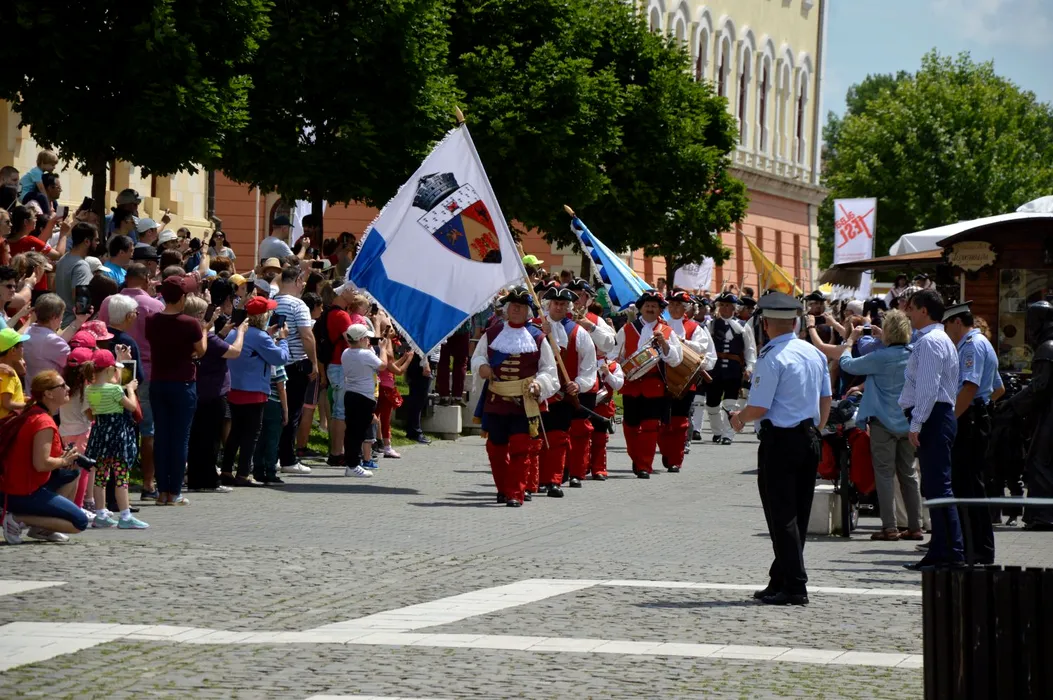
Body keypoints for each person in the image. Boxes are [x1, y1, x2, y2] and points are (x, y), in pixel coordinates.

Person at [729, 292, 831, 606]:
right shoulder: (813, 353)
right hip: (809, 438)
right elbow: (826, 398)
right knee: (798, 514)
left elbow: (759, 406)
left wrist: (739, 418)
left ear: (767, 324)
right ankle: (781, 579)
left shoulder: (771, 357)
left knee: (781, 516)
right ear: (795, 322)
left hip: (781, 441)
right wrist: (817, 428)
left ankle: (796, 585)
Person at [838, 310, 924, 541]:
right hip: (908, 422)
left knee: (885, 475)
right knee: (909, 475)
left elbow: (847, 364)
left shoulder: (880, 357)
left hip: (882, 422)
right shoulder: (914, 354)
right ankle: (915, 526)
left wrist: (850, 341)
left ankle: (890, 528)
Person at [472, 287, 559, 505]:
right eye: (513, 306)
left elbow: (549, 370)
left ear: (528, 311)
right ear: (507, 309)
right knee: (496, 449)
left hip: (524, 402)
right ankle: (503, 489)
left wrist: (539, 385)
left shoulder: (538, 337)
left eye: (520, 306)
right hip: (497, 400)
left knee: (521, 448)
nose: (516, 309)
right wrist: (482, 366)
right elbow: (478, 357)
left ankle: (515, 493)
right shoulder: (492, 334)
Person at [898, 289, 964, 568]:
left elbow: (928, 388)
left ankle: (951, 553)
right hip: (937, 416)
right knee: (937, 488)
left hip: (933, 417)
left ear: (924, 310)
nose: (908, 314)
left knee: (939, 489)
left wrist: (916, 423)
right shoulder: (938, 339)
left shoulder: (930, 341)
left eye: (912, 308)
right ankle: (942, 551)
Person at [1, 370, 91, 544]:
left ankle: (43, 530)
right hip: (21, 492)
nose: (68, 388)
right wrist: (64, 460)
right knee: (79, 522)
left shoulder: (35, 412)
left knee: (71, 474)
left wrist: (65, 460)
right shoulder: (44, 421)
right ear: (48, 394)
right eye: (62, 386)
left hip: (14, 486)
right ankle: (16, 519)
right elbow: (41, 464)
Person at [943, 301, 1000, 563]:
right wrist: (984, 406)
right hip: (975, 416)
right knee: (970, 485)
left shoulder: (971, 346)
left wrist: (952, 418)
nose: (946, 332)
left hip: (969, 419)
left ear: (957, 322)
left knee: (967, 486)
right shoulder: (980, 343)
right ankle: (976, 548)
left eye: (947, 325)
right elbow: (998, 388)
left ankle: (974, 550)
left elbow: (969, 387)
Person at [146, 276, 205, 506]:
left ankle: (162, 491)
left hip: (159, 382)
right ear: (182, 297)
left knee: (161, 436)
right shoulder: (190, 323)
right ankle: (175, 491)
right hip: (183, 383)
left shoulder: (152, 320)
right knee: (180, 438)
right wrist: (204, 330)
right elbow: (200, 350)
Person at [995, 302, 1053, 530]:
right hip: (1047, 412)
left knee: (1040, 461)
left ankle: (1043, 515)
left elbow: (1040, 387)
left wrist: (1011, 403)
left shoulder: (1047, 348)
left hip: (1049, 415)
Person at [221, 296, 290, 486]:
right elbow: (281, 358)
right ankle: (243, 473)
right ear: (263, 316)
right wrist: (282, 339)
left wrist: (268, 334)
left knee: (236, 431)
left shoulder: (235, 333)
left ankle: (226, 470)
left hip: (234, 388)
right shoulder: (260, 337)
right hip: (254, 391)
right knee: (251, 433)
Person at [613, 290, 683, 478]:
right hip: (631, 385)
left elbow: (676, 359)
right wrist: (616, 368)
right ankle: (637, 458)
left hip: (654, 385)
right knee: (630, 426)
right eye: (647, 305)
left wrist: (665, 344)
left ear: (660, 310)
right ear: (640, 308)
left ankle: (644, 465)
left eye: (654, 306)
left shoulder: (667, 331)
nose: (650, 309)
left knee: (650, 426)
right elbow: (615, 354)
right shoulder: (627, 329)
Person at [538, 286, 598, 495]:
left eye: (563, 304)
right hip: (537, 393)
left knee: (557, 437)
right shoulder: (534, 327)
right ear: (548, 305)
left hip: (562, 396)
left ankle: (553, 480)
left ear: (568, 307)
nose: (559, 307)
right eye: (556, 303)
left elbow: (589, 365)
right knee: (537, 437)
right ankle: (535, 479)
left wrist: (579, 384)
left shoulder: (578, 332)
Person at [185, 295, 246, 491]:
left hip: (198, 390)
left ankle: (195, 479)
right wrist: (240, 333)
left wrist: (223, 332)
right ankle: (209, 479)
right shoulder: (207, 338)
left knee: (197, 437)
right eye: (206, 313)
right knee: (211, 439)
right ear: (199, 316)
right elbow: (234, 352)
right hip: (213, 392)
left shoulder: (193, 335)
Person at [83, 349, 147, 529]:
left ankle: (100, 514)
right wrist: (130, 390)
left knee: (100, 477)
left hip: (100, 436)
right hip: (118, 436)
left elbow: (89, 414)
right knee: (121, 477)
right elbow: (131, 407)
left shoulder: (89, 389)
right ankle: (125, 516)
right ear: (110, 369)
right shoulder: (116, 390)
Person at [664, 290, 716, 471]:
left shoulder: (695, 328)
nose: (674, 308)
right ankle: (667, 452)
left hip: (685, 380)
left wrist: (682, 342)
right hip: (662, 379)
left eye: (678, 305)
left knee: (679, 421)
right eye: (671, 305)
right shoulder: (662, 325)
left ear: (686, 308)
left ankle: (675, 459)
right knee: (663, 421)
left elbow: (705, 350)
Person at [706, 292, 756, 445]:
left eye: (728, 305)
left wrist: (750, 366)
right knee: (712, 404)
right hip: (715, 369)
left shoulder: (743, 326)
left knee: (730, 403)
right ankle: (717, 431)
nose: (724, 308)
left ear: (735, 308)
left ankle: (728, 434)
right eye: (722, 305)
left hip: (734, 369)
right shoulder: (711, 324)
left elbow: (750, 349)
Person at [341, 324, 382, 477]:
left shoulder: (346, 352)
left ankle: (352, 464)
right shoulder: (365, 354)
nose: (368, 340)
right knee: (357, 433)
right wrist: (383, 350)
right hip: (363, 397)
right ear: (360, 339)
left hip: (351, 394)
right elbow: (383, 365)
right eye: (366, 338)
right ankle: (353, 465)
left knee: (352, 431)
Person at [55, 222, 98, 327]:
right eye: (96, 240)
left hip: (61, 321)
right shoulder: (81, 266)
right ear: (87, 241)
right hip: (72, 324)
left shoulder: (63, 258)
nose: (97, 243)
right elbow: (81, 302)